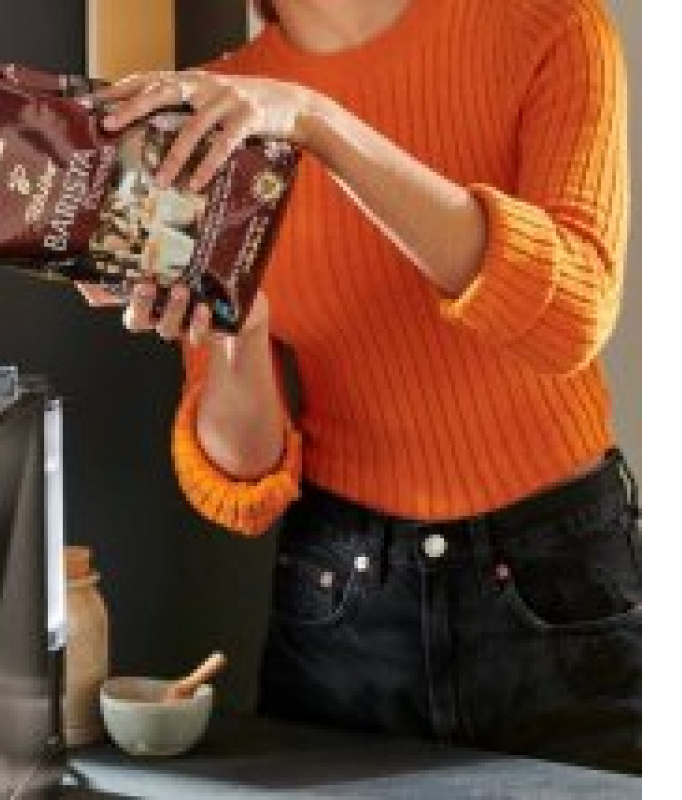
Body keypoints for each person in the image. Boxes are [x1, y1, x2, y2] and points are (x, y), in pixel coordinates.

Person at [78, 0, 640, 775]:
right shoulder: (215, 108)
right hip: (343, 604)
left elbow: (570, 317)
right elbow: (243, 475)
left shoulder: (550, 27)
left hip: (560, 592)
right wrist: (238, 335)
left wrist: (319, 123)